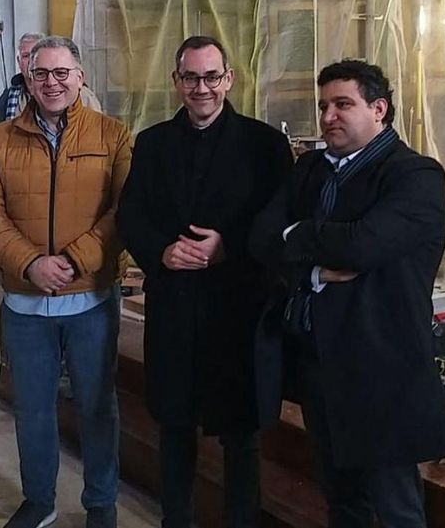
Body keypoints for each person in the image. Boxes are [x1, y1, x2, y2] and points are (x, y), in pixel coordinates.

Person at [248, 59, 445, 528]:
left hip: (379, 364)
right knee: (342, 501)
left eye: (343, 104)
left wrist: (297, 233)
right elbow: (261, 237)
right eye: (323, 106)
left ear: (379, 108)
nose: (328, 117)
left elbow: (365, 245)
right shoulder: (310, 171)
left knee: (396, 505)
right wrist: (315, 273)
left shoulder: (415, 175)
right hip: (318, 362)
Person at [117, 36, 292, 528]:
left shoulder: (265, 144)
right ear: (176, 83)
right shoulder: (151, 143)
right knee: (174, 429)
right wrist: (161, 251)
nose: (202, 88)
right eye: (191, 78)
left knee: (242, 435)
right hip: (175, 306)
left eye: (211, 76)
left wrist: (226, 247)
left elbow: (278, 219)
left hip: (239, 308)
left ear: (229, 79)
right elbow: (132, 214)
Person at [0, 36, 131, 528]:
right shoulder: (0, 139)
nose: (52, 83)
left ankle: (100, 502)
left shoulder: (113, 135)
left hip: (90, 298)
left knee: (96, 407)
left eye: (62, 73)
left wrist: (73, 259)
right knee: (32, 411)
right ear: (28, 79)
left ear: (80, 78)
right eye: (42, 74)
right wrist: (30, 263)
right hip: (25, 303)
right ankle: (39, 499)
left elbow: (125, 208)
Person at [0, 31, 103, 123]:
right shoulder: (7, 98)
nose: (31, 61)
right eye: (26, 56)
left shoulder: (81, 95)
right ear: (18, 61)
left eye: (36, 56)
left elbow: (97, 131)